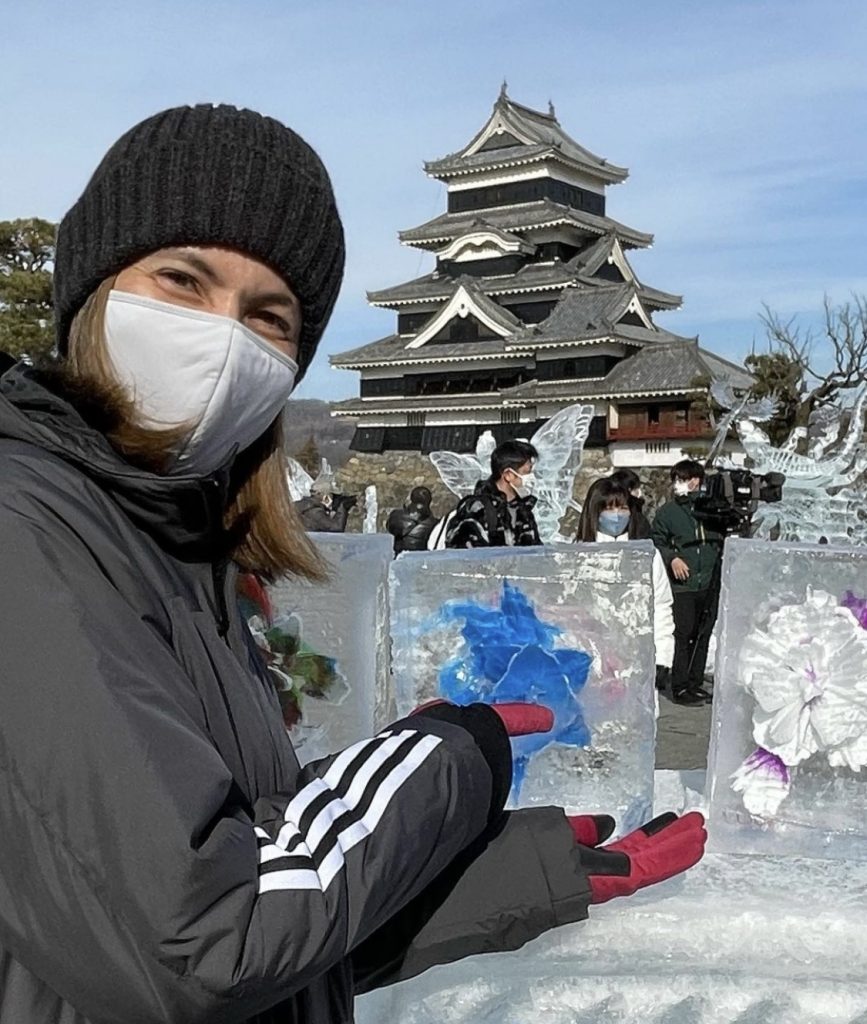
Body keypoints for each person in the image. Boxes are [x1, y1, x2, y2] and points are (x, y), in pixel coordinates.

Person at [0, 104, 705, 1024]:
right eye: (181, 280)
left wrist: (509, 873)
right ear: (92, 291)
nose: (222, 339)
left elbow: (237, 896)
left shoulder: (175, 550)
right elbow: (209, 936)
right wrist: (445, 756)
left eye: (268, 315)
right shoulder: (27, 526)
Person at [576, 479, 674, 690]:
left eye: (622, 507)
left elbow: (661, 605)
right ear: (595, 512)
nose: (617, 514)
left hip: (636, 657)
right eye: (609, 508)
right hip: (591, 661)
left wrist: (662, 657)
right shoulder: (576, 557)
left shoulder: (646, 555)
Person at [651, 459, 725, 705]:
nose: (688, 484)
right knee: (684, 634)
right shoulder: (668, 513)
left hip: (709, 581)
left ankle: (695, 682)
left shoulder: (712, 511)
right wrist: (672, 558)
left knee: (703, 633)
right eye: (681, 479)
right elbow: (656, 543)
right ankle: (679, 685)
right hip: (683, 585)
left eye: (692, 478)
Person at [445, 438, 542, 548]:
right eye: (526, 473)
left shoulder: (524, 511)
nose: (531, 478)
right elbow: (465, 557)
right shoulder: (477, 510)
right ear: (508, 474)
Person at [386, 485, 438, 554]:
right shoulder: (435, 523)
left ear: (411, 499)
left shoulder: (395, 516)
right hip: (421, 559)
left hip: (399, 558)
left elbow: (389, 528)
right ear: (429, 501)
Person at [609, 467, 652, 539]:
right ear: (629, 490)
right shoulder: (637, 518)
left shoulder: (639, 517)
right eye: (636, 488)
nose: (640, 493)